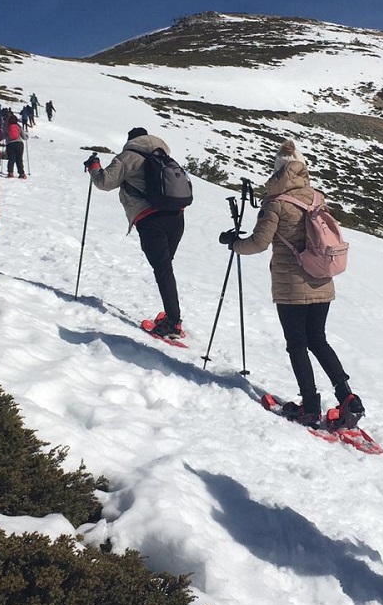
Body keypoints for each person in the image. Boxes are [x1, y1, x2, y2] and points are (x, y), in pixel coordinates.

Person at [219, 140, 363, 426]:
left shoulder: (276, 204)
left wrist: (234, 243)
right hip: (322, 280)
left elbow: (258, 243)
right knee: (318, 339)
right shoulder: (316, 197)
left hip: (291, 286)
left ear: (278, 172)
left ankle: (310, 406)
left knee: (297, 343)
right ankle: (348, 398)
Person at [84, 127, 185, 339]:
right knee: (165, 268)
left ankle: (173, 323)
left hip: (151, 220)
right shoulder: (164, 155)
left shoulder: (127, 157)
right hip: (176, 217)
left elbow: (105, 182)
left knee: (163, 270)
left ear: (131, 140)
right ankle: (171, 315)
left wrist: (94, 167)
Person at [4, 110, 27, 178]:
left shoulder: (7, 127)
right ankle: (21, 173)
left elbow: (4, 136)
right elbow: (24, 137)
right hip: (19, 144)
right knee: (19, 159)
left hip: (10, 144)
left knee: (11, 159)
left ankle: (10, 173)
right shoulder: (18, 126)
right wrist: (26, 137)